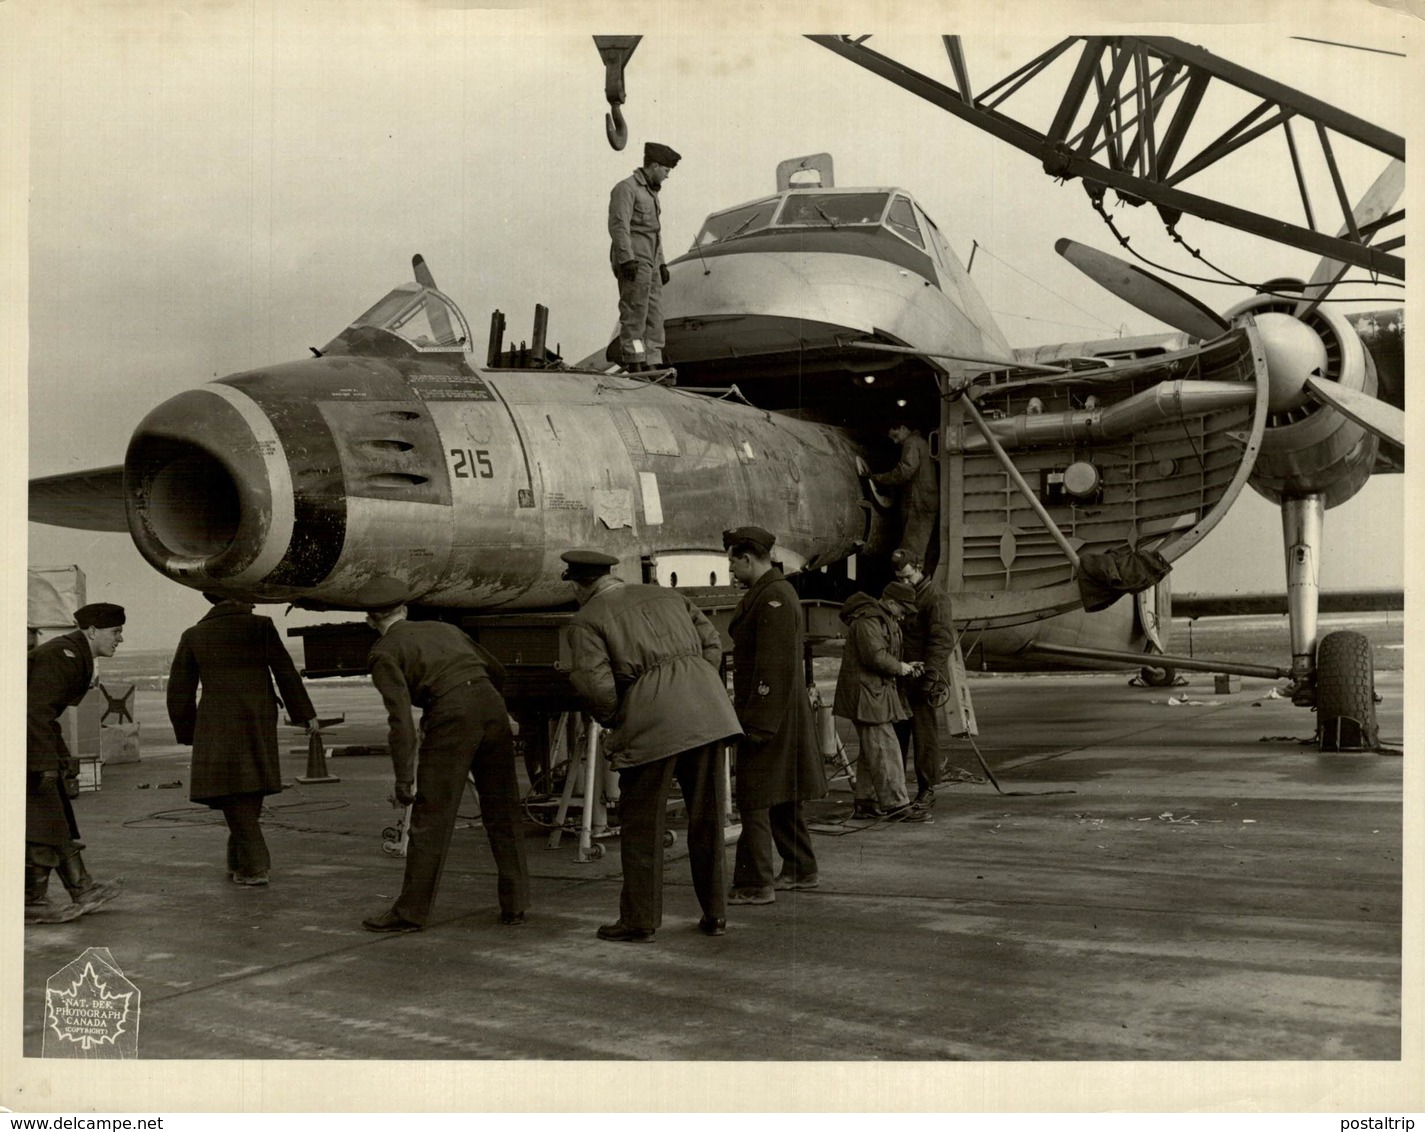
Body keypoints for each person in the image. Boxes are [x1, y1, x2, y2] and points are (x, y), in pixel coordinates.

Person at [561, 548, 741, 941]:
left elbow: (597, 686)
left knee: (643, 823)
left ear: (578, 585)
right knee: (708, 818)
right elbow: (713, 642)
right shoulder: (668, 595)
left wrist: (621, 715)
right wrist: (695, 683)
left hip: (652, 723)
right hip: (709, 714)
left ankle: (640, 920)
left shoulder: (586, 620)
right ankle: (716, 914)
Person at [356, 577, 530, 933]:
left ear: (370, 620)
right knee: (503, 809)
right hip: (490, 704)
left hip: (452, 714)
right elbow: (496, 670)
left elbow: (400, 721)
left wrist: (405, 780)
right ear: (404, 608)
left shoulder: (384, 651)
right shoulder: (444, 628)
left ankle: (410, 912)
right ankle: (516, 903)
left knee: (431, 816)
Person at [167, 593, 319, 886]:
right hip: (258, 717)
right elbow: (285, 671)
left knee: (230, 787)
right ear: (239, 598)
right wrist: (304, 714)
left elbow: (179, 690)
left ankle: (245, 862)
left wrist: (188, 733)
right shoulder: (260, 626)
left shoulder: (194, 634)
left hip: (216, 722)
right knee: (251, 783)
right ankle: (252, 865)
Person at [723, 526, 825, 904]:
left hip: (770, 715)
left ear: (747, 558)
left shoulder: (773, 598)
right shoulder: (770, 593)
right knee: (783, 794)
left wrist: (758, 723)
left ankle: (755, 883)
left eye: (733, 561)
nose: (731, 570)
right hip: (778, 714)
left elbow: (774, 667)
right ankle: (800, 868)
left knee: (755, 796)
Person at [25, 602, 127, 924]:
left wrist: (61, 755)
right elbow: (33, 711)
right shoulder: (63, 656)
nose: (120, 639)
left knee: (56, 817)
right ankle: (31, 902)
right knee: (40, 822)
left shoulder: (75, 654)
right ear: (93, 631)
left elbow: (45, 714)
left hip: (28, 735)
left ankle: (82, 889)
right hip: (19, 739)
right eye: (116, 632)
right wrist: (45, 762)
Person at [832, 582, 931, 823]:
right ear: (890, 603)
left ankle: (866, 801)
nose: (904, 615)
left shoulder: (880, 620)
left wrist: (905, 666)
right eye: (903, 609)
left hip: (873, 695)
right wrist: (901, 668)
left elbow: (883, 654)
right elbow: (874, 656)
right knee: (885, 749)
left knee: (872, 750)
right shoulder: (869, 621)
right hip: (866, 697)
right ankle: (896, 805)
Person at [889, 550, 956, 809]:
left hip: (923, 680)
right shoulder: (907, 594)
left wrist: (931, 678)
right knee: (899, 735)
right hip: (903, 678)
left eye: (907, 577)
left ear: (919, 568)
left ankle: (927, 790)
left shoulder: (936, 598)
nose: (904, 583)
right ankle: (897, 790)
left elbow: (941, 642)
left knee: (924, 737)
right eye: (899, 579)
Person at [608, 141, 681, 372]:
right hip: (635, 259)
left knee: (654, 314)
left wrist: (662, 264)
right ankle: (635, 361)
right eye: (666, 170)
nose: (668, 176)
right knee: (635, 311)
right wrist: (626, 259)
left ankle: (653, 362)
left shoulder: (651, 194)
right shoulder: (626, 188)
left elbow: (655, 233)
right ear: (655, 166)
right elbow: (619, 226)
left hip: (651, 260)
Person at [871, 423, 939, 563]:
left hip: (918, 500)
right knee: (925, 546)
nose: (895, 442)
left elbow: (904, 472)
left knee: (911, 548)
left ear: (903, 428)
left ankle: (910, 582)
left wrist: (878, 478)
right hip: (927, 499)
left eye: (895, 436)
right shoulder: (921, 441)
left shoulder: (911, 442)